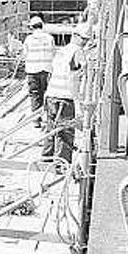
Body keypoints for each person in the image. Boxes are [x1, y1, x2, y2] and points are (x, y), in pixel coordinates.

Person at [43, 24, 89, 164]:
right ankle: (61, 164)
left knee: (51, 128)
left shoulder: (62, 50)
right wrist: (78, 102)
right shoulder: (77, 52)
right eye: (83, 39)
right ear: (75, 36)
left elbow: (52, 73)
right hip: (64, 97)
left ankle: (46, 157)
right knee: (65, 131)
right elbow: (74, 77)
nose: (85, 42)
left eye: (87, 39)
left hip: (52, 94)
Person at [22, 16, 55, 127]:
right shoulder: (49, 38)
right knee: (47, 94)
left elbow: (25, 54)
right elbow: (53, 53)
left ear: (32, 27)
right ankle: (50, 119)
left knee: (35, 94)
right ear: (42, 25)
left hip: (32, 70)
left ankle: (36, 120)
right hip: (46, 70)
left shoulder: (29, 39)